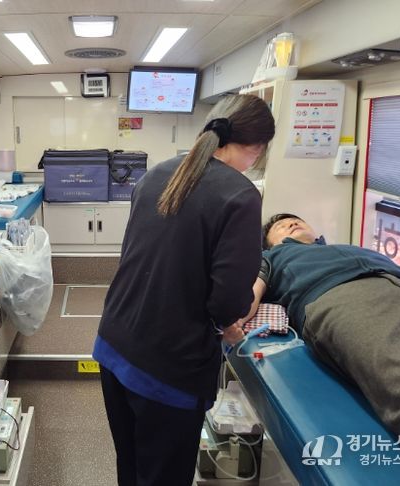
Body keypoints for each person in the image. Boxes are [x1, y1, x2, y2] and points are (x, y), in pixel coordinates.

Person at [93, 94, 276, 486]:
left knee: (132, 467)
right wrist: (228, 325)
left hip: (114, 344)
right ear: (258, 148)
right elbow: (228, 301)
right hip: (167, 366)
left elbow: (141, 258)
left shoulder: (158, 173)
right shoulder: (241, 195)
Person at [249, 213, 400, 482]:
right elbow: (247, 296)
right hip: (348, 299)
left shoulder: (349, 247)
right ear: (270, 244)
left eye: (295, 220)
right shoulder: (271, 257)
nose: (291, 223)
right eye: (281, 226)